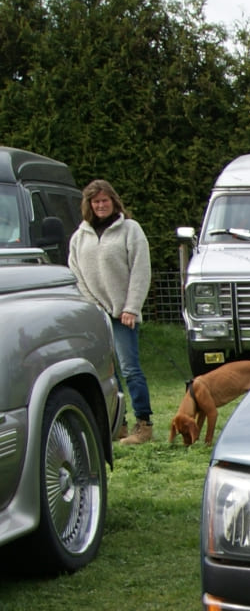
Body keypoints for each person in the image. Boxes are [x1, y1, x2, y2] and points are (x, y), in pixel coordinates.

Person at [69, 179, 153, 444]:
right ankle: (119, 425)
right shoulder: (80, 236)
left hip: (123, 315)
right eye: (96, 202)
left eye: (105, 201)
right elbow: (76, 273)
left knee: (130, 369)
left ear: (114, 201)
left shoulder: (130, 230)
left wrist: (131, 307)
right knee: (108, 374)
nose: (101, 205)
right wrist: (93, 306)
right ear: (89, 205)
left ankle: (144, 423)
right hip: (97, 315)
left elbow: (140, 271)